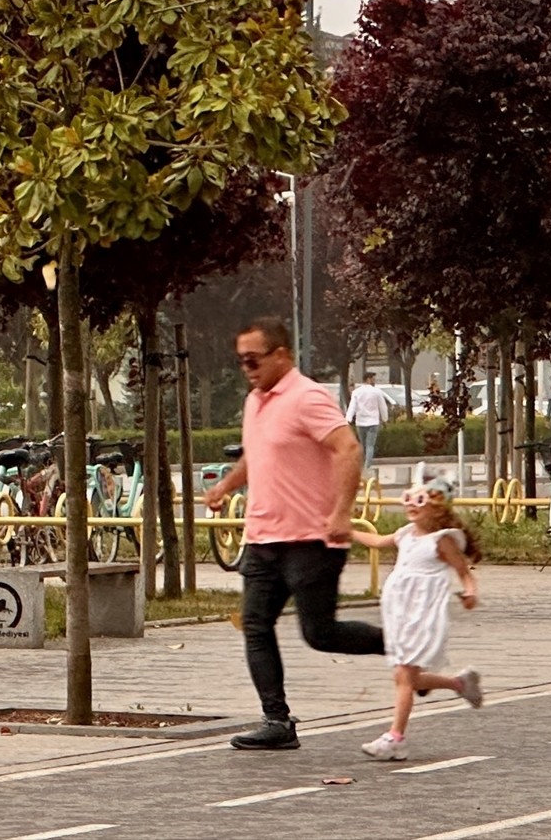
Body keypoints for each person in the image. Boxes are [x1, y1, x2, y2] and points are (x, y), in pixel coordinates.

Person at [204, 317, 384, 751]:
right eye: (241, 361)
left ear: (281, 355)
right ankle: (277, 721)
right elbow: (257, 455)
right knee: (255, 625)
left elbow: (349, 448)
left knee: (320, 633)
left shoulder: (308, 397)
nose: (246, 369)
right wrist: (226, 486)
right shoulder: (255, 401)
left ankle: (404, 645)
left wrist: (342, 513)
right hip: (263, 538)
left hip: (311, 540)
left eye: (253, 360)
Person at [349, 474, 483, 761]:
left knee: (404, 676)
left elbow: (463, 572)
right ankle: (459, 684)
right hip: (400, 614)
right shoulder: (406, 533)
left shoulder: (441, 541)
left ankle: (395, 738)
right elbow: (377, 541)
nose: (411, 505)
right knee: (408, 677)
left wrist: (470, 592)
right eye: (408, 499)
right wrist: (346, 531)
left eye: (419, 500)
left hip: (422, 615)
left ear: (437, 507)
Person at [345, 371, 389, 472]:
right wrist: (385, 418)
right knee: (370, 445)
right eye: (373, 379)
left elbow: (352, 407)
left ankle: (362, 464)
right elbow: (382, 406)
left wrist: (348, 419)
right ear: (368, 379)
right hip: (373, 422)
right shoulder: (377, 392)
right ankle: (367, 466)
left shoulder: (356, 392)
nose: (374, 381)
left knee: (363, 445)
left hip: (360, 422)